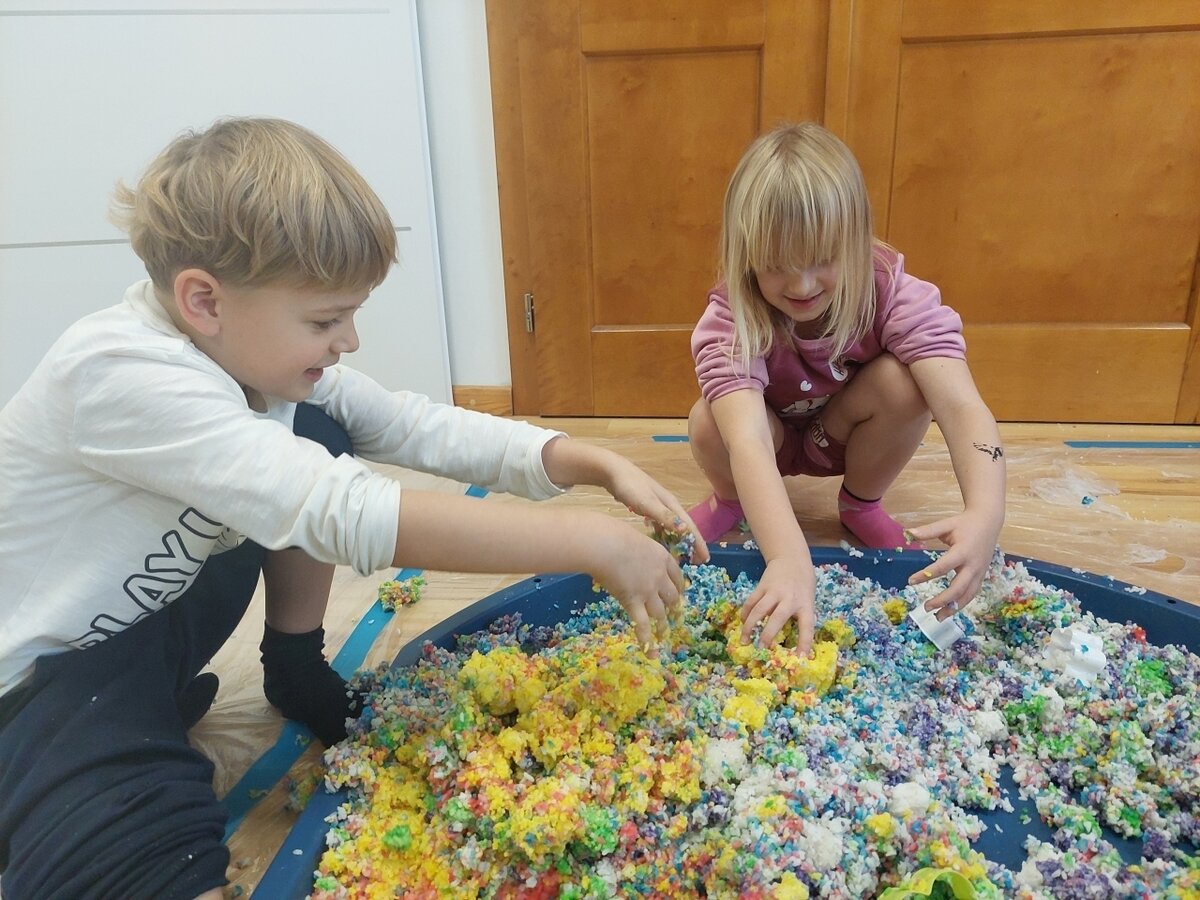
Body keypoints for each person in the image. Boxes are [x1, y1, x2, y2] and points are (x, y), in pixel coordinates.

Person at [0, 116, 706, 900]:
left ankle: (291, 669)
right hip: (37, 684)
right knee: (151, 852)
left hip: (149, 628)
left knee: (315, 423)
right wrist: (587, 542)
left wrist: (584, 459)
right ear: (204, 301)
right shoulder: (116, 373)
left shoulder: (250, 357)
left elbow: (410, 425)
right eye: (325, 320)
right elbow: (342, 509)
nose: (350, 340)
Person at [686, 122, 1005, 656]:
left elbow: (961, 405)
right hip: (767, 441)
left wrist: (985, 512)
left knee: (905, 384)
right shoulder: (731, 319)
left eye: (822, 259)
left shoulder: (893, 292)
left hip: (841, 435)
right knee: (708, 419)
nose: (802, 285)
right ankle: (732, 500)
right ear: (746, 255)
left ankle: (860, 504)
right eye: (776, 266)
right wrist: (788, 557)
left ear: (857, 242)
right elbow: (747, 441)